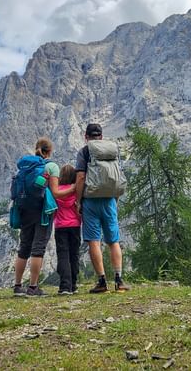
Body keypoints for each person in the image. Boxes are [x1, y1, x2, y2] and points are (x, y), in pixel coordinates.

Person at [13, 137, 75, 297]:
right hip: (42, 213)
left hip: (24, 211)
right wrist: (74, 188)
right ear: (50, 151)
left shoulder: (24, 167)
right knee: (38, 248)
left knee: (23, 247)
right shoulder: (51, 166)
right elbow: (56, 193)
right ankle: (33, 287)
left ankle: (17, 286)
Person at [75, 124, 130, 293]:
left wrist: (78, 201)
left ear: (86, 136)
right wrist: (115, 197)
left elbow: (81, 177)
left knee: (94, 241)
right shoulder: (112, 150)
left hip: (91, 201)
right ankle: (119, 280)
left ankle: (102, 281)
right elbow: (117, 176)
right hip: (109, 200)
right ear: (101, 136)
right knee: (113, 241)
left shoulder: (84, 152)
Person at [54, 165, 81, 295]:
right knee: (74, 255)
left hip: (60, 227)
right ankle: (74, 285)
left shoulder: (57, 191)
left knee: (63, 255)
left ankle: (65, 286)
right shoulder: (76, 192)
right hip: (75, 226)